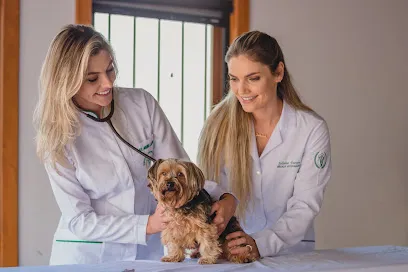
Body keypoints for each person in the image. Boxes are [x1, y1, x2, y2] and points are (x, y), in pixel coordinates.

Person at [33, 24, 237, 265]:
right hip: (89, 256)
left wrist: (225, 197)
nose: (108, 84)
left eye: (110, 70)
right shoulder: (57, 136)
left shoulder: (141, 104)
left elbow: (182, 172)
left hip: (148, 254)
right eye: (92, 79)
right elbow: (80, 220)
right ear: (66, 81)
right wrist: (147, 225)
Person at [197, 30, 332, 259]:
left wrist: (260, 244)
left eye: (253, 78)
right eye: (234, 79)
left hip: (292, 254)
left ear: (278, 72)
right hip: (229, 251)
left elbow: (304, 205)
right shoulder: (217, 124)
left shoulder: (310, 129)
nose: (241, 90)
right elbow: (207, 185)